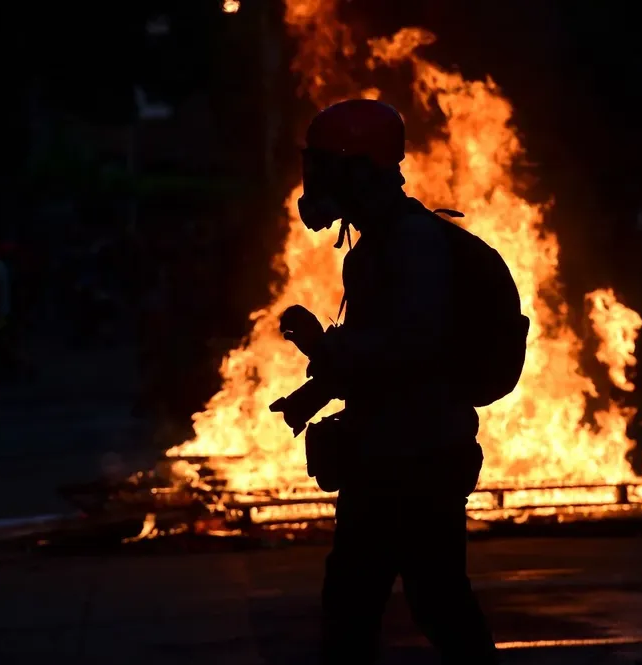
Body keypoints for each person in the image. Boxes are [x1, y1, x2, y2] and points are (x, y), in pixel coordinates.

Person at [274, 99, 500, 663]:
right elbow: (383, 349)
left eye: (326, 166)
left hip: (413, 458)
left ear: (359, 169)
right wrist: (313, 392)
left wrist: (321, 345)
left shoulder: (410, 243)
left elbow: (411, 345)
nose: (316, 182)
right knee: (392, 601)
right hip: (393, 454)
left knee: (415, 602)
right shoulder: (381, 242)